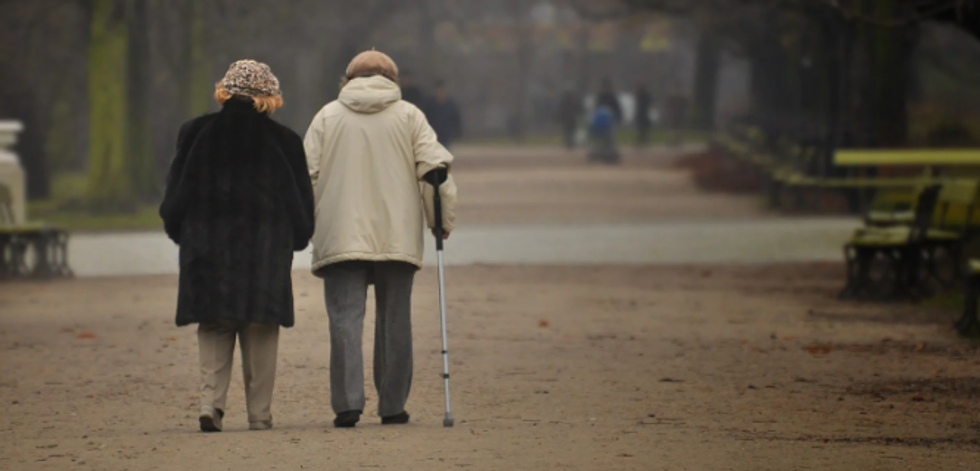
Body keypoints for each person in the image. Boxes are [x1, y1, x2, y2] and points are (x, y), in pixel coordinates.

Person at [303, 50, 458, 428]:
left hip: (340, 231)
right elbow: (435, 172)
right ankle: (392, 405)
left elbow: (305, 175)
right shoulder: (410, 116)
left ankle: (347, 403)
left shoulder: (327, 116)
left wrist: (303, 224)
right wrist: (440, 220)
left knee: (344, 319)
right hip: (396, 233)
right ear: (393, 80)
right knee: (395, 319)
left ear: (347, 79)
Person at [159, 60, 315, 433]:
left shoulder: (194, 133)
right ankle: (259, 414)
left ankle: (210, 404)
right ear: (269, 97)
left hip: (206, 249)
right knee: (260, 328)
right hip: (264, 251)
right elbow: (299, 205)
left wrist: (181, 233)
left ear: (225, 92)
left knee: (214, 325)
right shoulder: (285, 141)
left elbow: (175, 198)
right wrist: (298, 237)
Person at [423, 79, 463, 148]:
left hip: (446, 134)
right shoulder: (430, 104)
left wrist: (455, 132)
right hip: (433, 133)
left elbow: (455, 119)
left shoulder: (450, 104)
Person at [634, 83, 653, 147]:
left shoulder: (642, 96)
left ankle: (643, 141)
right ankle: (642, 141)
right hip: (642, 114)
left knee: (643, 129)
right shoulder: (641, 95)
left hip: (643, 113)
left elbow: (649, 103)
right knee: (642, 129)